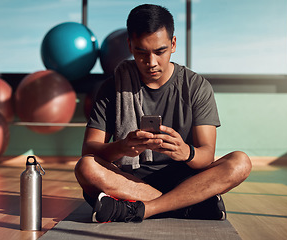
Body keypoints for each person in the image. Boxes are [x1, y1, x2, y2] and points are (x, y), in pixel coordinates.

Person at [75, 4, 252, 223]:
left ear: (173, 44)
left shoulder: (196, 86)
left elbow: (206, 156)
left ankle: (140, 209)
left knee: (240, 162)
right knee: (86, 167)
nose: (151, 63)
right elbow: (89, 150)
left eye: (160, 51)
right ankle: (188, 205)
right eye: (141, 52)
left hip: (185, 178)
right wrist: (122, 147)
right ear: (130, 45)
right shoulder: (112, 87)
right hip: (129, 180)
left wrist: (186, 152)